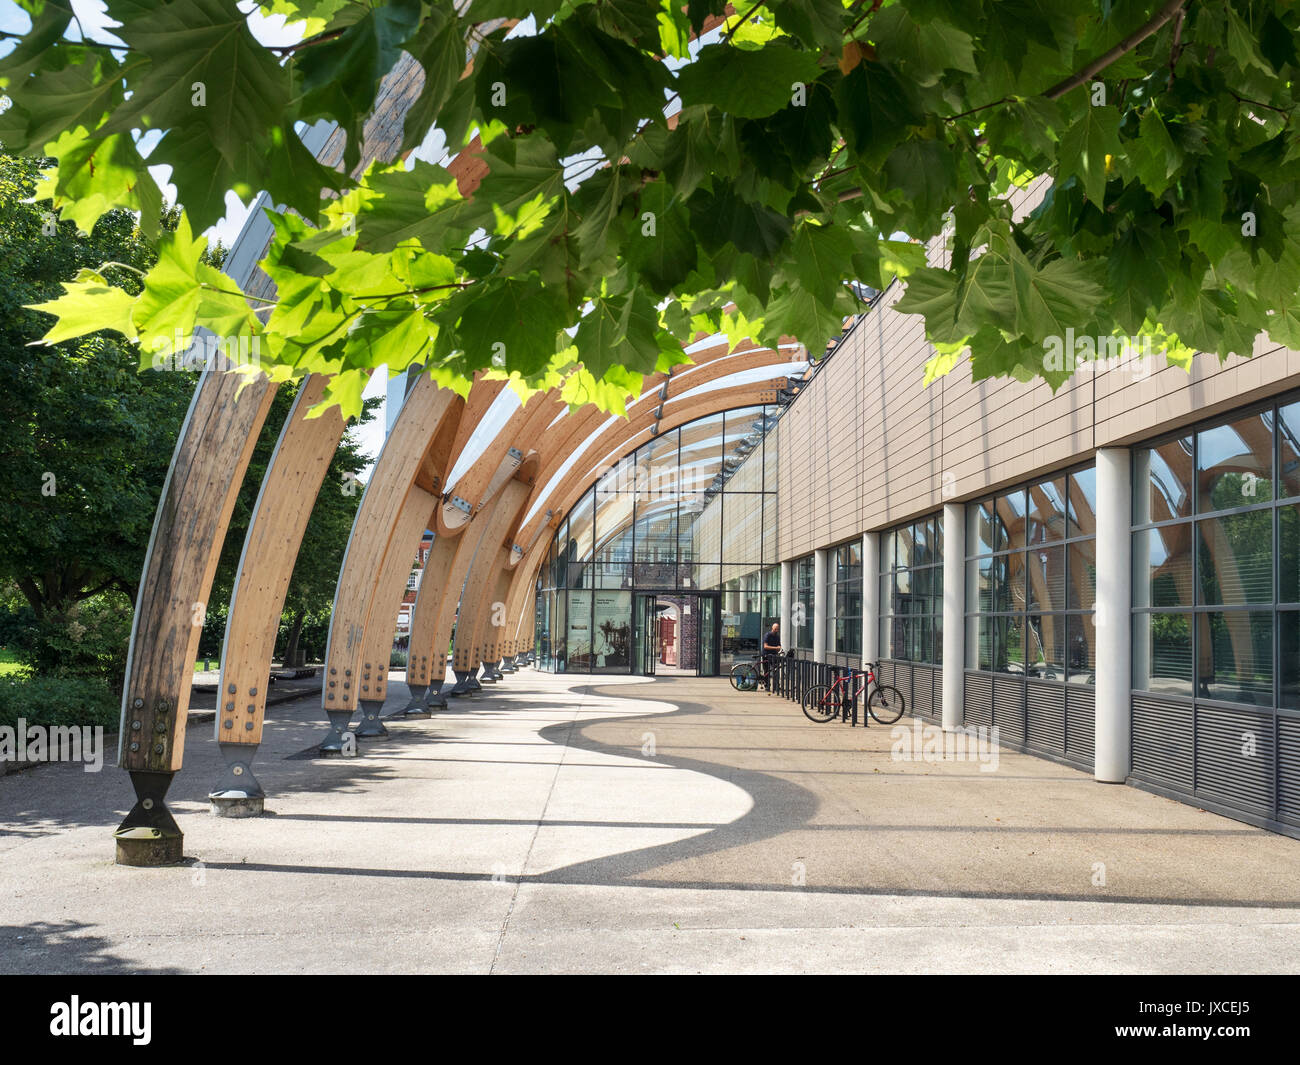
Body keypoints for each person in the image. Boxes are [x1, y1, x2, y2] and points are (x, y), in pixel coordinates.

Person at [761, 622, 781, 691]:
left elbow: (778, 646)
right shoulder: (767, 635)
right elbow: (765, 646)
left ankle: (776, 686)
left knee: (775, 670)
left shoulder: (777, 637)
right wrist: (776, 648)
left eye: (777, 629)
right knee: (766, 670)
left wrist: (778, 649)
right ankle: (767, 686)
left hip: (774, 656)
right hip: (766, 655)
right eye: (775, 629)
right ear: (772, 628)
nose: (776, 630)